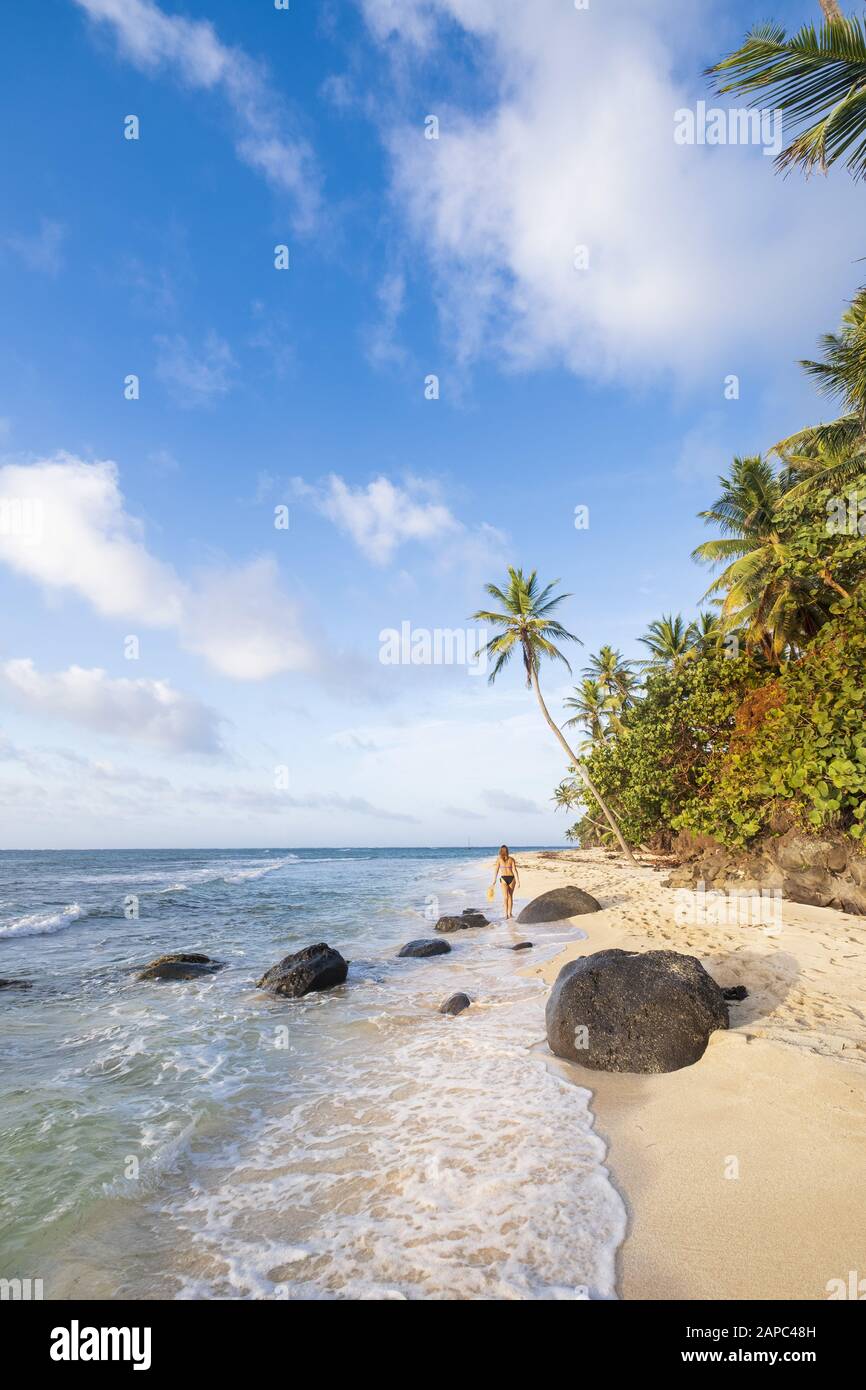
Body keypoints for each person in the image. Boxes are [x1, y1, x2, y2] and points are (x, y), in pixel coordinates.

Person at [491, 844, 520, 920]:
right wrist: (518, 880)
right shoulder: (505, 859)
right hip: (509, 879)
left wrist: (494, 880)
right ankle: (508, 914)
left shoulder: (505, 859)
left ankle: (508, 914)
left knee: (507, 897)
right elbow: (514, 870)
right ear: (507, 851)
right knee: (508, 897)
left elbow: (497, 870)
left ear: (500, 851)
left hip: (507, 878)